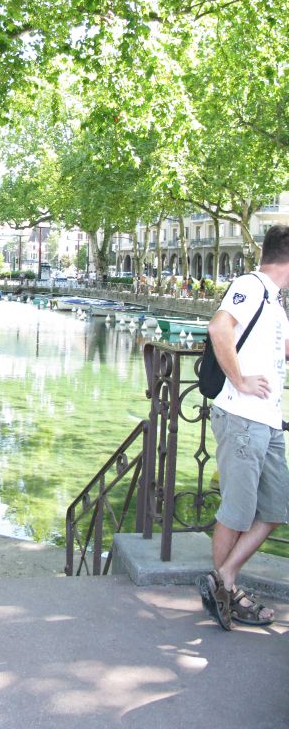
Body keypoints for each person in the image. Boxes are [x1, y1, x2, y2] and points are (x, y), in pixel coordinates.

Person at [196, 224, 289, 630]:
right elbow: (219, 328)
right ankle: (227, 595)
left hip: (267, 421)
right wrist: (240, 380)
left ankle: (224, 577)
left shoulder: (274, 301)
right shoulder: (250, 286)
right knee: (237, 513)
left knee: (276, 508)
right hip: (242, 417)